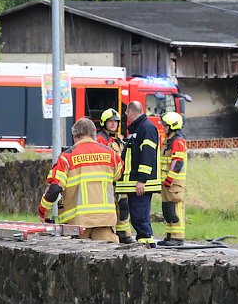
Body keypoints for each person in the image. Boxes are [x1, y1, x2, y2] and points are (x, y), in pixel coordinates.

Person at [38, 117, 123, 242]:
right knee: (106, 257)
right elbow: (118, 174)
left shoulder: (67, 156)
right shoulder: (111, 154)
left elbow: (55, 188)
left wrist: (43, 213)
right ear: (94, 135)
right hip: (105, 220)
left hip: (77, 223)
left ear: (75, 136)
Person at [115, 101, 161, 246]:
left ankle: (147, 245)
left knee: (140, 217)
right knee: (137, 216)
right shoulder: (138, 129)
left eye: (127, 112)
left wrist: (142, 180)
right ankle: (144, 244)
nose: (126, 115)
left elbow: (147, 156)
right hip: (134, 182)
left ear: (131, 111)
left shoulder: (146, 128)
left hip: (140, 183)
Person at [96, 108, 135, 244]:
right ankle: (112, 234)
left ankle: (124, 234)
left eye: (116, 122)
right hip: (108, 180)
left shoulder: (119, 139)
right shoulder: (99, 139)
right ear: (104, 122)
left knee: (123, 207)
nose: (113, 124)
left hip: (121, 179)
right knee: (111, 208)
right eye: (110, 122)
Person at [158, 111, 188, 246]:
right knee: (167, 209)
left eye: (165, 125)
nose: (163, 127)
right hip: (166, 183)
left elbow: (177, 162)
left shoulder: (178, 141)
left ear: (172, 126)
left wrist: (170, 179)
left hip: (174, 183)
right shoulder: (168, 141)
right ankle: (169, 236)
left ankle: (178, 237)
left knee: (175, 209)